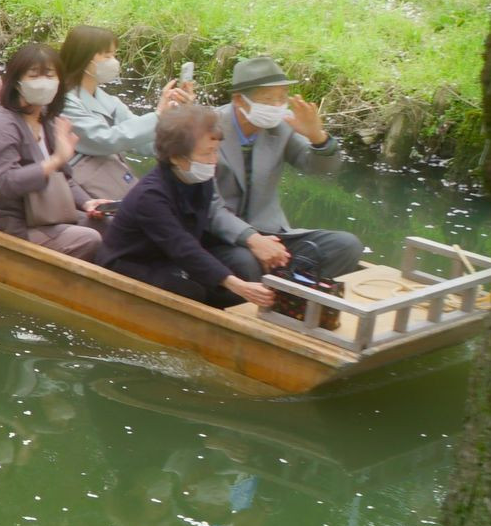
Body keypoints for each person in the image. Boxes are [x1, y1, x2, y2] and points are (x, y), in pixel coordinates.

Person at [97, 102, 279, 311]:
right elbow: (182, 246)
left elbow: (199, 231)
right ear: (175, 157)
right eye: (206, 154)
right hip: (133, 262)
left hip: (170, 257)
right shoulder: (150, 197)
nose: (213, 160)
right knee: (192, 292)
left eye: (216, 152)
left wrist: (253, 243)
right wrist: (237, 285)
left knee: (242, 263)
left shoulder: (201, 179)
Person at [203, 57, 365, 284]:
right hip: (219, 237)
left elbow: (319, 168)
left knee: (347, 246)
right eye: (268, 99)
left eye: (282, 98)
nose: (277, 106)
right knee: (246, 263)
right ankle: (273, 290)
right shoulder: (206, 129)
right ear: (239, 99)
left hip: (271, 231)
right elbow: (208, 205)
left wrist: (317, 137)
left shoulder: (280, 128)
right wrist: (252, 239)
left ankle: (291, 293)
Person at [0, 40, 107, 258]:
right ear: (16, 82)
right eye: (34, 76)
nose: (43, 83)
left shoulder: (48, 120)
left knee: (109, 225)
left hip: (41, 211)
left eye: (49, 76)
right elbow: (5, 183)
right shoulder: (0, 127)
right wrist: (55, 160)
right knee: (88, 238)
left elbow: (64, 178)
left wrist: (87, 203)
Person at [53, 24, 189, 210]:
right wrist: (157, 116)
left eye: (114, 55)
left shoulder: (109, 101)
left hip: (107, 179)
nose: (114, 62)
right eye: (107, 56)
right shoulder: (64, 101)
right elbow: (104, 140)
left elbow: (144, 143)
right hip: (80, 189)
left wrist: (178, 114)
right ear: (84, 58)